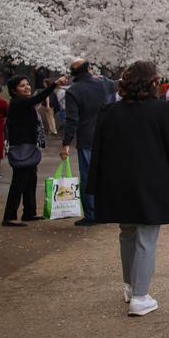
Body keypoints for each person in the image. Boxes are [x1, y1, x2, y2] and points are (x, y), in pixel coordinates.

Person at [86, 61, 169, 316]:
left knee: (127, 233)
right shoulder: (161, 109)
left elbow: (98, 149)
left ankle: (130, 286)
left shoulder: (109, 111)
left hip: (117, 182)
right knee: (146, 237)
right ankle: (140, 296)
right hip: (151, 182)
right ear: (152, 82)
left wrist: (94, 183)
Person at [3, 74, 67, 226]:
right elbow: (37, 99)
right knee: (19, 182)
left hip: (29, 146)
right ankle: (9, 217)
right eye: (22, 86)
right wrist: (54, 84)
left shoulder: (23, 102)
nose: (27, 87)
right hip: (22, 147)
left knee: (31, 180)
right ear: (14, 91)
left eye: (27, 84)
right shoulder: (19, 102)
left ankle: (29, 212)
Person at [60, 58, 116, 226]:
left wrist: (66, 143)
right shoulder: (104, 84)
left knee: (88, 177)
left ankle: (91, 214)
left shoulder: (73, 91)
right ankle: (108, 210)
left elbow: (72, 120)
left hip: (86, 137)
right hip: (108, 135)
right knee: (107, 174)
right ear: (89, 69)